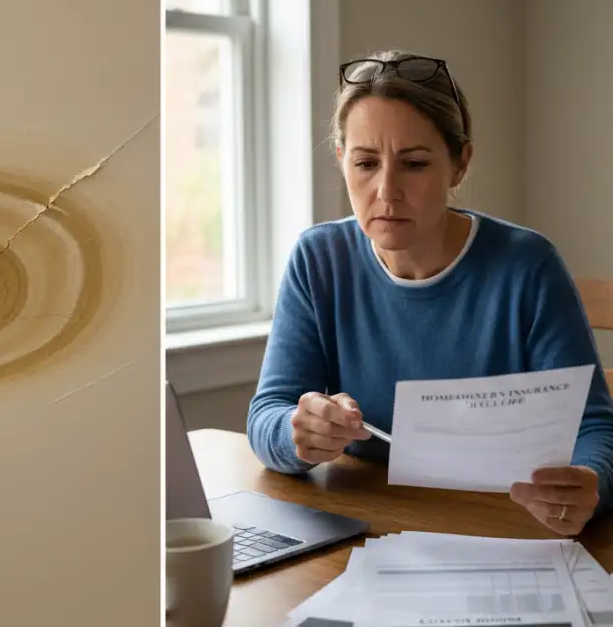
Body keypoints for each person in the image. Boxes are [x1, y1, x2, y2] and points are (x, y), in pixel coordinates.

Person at [246, 50, 613, 537]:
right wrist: (297, 434)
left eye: (414, 164)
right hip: (369, 524)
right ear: (341, 160)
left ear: (460, 164)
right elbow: (268, 414)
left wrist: (588, 483)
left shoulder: (528, 266)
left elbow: (594, 428)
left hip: (502, 525)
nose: (386, 191)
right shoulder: (319, 259)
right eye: (365, 163)